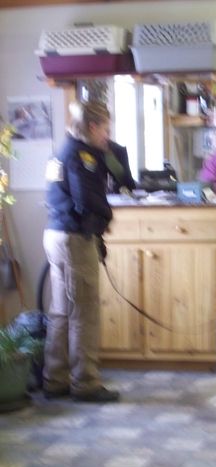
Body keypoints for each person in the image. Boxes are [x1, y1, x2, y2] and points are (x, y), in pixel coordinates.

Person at [43, 100, 119, 403]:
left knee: (61, 311)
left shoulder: (61, 151)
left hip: (55, 234)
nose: (106, 136)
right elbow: (87, 200)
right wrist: (106, 218)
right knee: (84, 312)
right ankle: (85, 382)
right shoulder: (82, 156)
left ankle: (55, 378)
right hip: (74, 239)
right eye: (105, 129)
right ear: (91, 126)